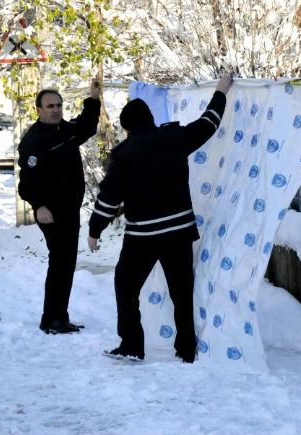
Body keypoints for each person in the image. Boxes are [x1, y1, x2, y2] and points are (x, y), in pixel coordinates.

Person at [87, 74, 233, 362]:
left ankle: (131, 345)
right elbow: (208, 123)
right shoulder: (174, 138)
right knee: (181, 293)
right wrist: (220, 91)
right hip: (179, 232)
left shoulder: (124, 155)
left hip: (142, 238)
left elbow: (108, 198)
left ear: (126, 128)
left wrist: (95, 230)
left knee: (126, 288)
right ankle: (187, 349)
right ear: (151, 118)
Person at [18, 79, 102, 335]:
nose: (55, 109)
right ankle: (51, 318)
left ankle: (59, 316)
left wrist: (94, 98)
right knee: (60, 262)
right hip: (50, 212)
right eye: (50, 106)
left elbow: (86, 125)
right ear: (39, 110)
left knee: (66, 262)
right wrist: (39, 206)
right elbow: (28, 182)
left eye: (58, 105)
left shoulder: (64, 130)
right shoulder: (33, 140)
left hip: (69, 209)